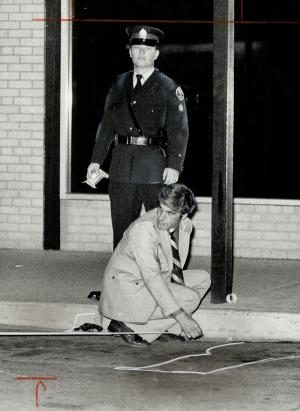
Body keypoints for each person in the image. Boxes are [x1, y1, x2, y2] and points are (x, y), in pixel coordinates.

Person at [86, 25, 189, 249]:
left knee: (161, 230)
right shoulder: (118, 83)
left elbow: (179, 129)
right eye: (137, 47)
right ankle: (122, 282)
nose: (141, 52)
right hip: (121, 167)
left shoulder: (168, 86)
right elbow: (106, 126)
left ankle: (165, 279)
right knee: (122, 231)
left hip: (154, 169)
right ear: (130, 52)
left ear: (156, 54)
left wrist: (174, 165)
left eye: (147, 48)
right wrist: (96, 160)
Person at [101, 184, 211, 347]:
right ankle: (128, 326)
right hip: (128, 286)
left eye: (170, 213)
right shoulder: (143, 229)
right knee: (191, 298)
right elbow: (152, 277)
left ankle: (161, 330)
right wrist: (182, 316)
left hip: (153, 279)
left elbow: (175, 268)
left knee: (203, 278)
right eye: (161, 208)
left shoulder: (185, 226)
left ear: (184, 214)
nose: (161, 217)